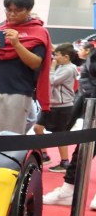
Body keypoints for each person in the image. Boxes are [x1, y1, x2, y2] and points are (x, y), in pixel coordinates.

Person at [0, 0, 52, 134]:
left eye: (17, 10)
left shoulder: (38, 32)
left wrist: (17, 44)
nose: (11, 14)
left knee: (8, 141)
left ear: (28, 10)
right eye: (8, 10)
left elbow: (36, 63)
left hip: (17, 93)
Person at [44, 47, 96, 206]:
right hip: (90, 103)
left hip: (83, 102)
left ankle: (68, 190)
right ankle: (68, 190)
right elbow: (87, 74)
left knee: (83, 149)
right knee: (82, 150)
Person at [40, 42, 78, 171]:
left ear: (66, 57)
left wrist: (51, 68)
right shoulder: (62, 66)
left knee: (60, 135)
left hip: (63, 106)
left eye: (57, 55)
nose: (54, 58)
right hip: (52, 104)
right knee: (37, 127)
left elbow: (52, 81)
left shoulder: (69, 69)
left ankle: (64, 162)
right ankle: (44, 155)